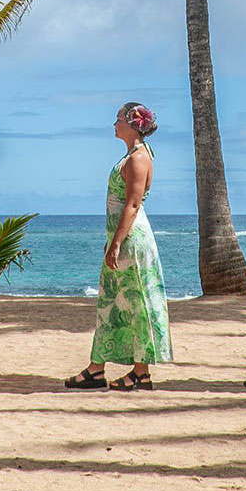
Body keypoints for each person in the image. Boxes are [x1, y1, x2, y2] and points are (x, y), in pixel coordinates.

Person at [66, 103, 171, 391]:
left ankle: (133, 372)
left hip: (131, 239)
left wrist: (116, 243)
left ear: (132, 124)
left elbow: (133, 205)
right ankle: (105, 369)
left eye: (118, 119)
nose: (114, 124)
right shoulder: (134, 155)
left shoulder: (138, 158)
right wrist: (113, 240)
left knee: (132, 304)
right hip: (124, 236)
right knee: (116, 304)